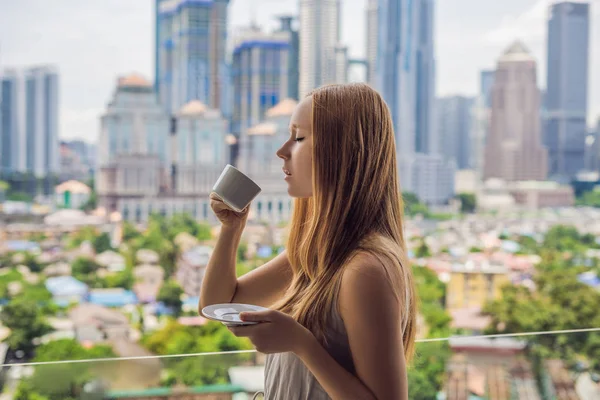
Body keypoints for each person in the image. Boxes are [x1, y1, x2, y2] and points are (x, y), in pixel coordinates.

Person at [200, 83, 417, 400]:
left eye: (299, 138)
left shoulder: (364, 270)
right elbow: (217, 305)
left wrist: (301, 343)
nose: (282, 150)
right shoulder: (317, 254)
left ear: (342, 152)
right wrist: (231, 229)